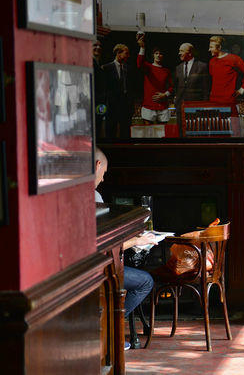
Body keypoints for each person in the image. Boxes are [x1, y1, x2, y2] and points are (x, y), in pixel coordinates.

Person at [95, 148, 156, 351]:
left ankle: (109, 326)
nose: (103, 179)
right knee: (145, 281)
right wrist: (137, 241)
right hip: (101, 269)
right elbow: (104, 244)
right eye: (104, 172)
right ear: (97, 166)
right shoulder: (94, 197)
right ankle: (110, 326)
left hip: (85, 268)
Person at [135, 34, 173, 124]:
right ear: (153, 55)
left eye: (160, 53)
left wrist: (165, 95)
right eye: (156, 53)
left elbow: (171, 87)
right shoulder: (148, 67)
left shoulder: (166, 71)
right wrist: (142, 48)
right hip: (149, 105)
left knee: (163, 133)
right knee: (148, 133)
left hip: (163, 105)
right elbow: (139, 63)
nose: (158, 55)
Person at [102, 43, 137, 138]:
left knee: (125, 133)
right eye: (126, 53)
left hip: (126, 108)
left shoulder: (128, 69)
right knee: (111, 132)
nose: (128, 56)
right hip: (112, 107)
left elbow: (131, 88)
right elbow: (104, 88)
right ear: (118, 53)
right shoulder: (106, 68)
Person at [207, 35, 244, 105]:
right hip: (213, 100)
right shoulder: (212, 61)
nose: (209, 49)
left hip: (228, 100)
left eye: (211, 47)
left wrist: (242, 89)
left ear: (219, 47)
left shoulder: (234, 59)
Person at [93, 40, 106, 138]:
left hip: (101, 103)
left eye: (99, 45)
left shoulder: (100, 63)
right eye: (95, 45)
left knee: (99, 123)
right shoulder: (88, 62)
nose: (98, 47)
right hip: (92, 102)